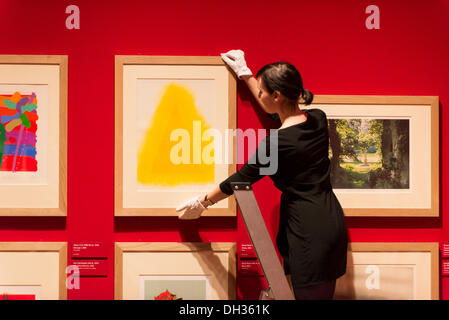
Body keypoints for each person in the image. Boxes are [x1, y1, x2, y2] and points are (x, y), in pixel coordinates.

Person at [176, 50, 348, 300]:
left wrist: (203, 202)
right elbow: (277, 112)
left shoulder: (276, 144)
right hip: (330, 220)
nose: (258, 94)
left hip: (307, 231)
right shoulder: (318, 119)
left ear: (276, 95)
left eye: (261, 92)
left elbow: (241, 178)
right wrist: (246, 75)